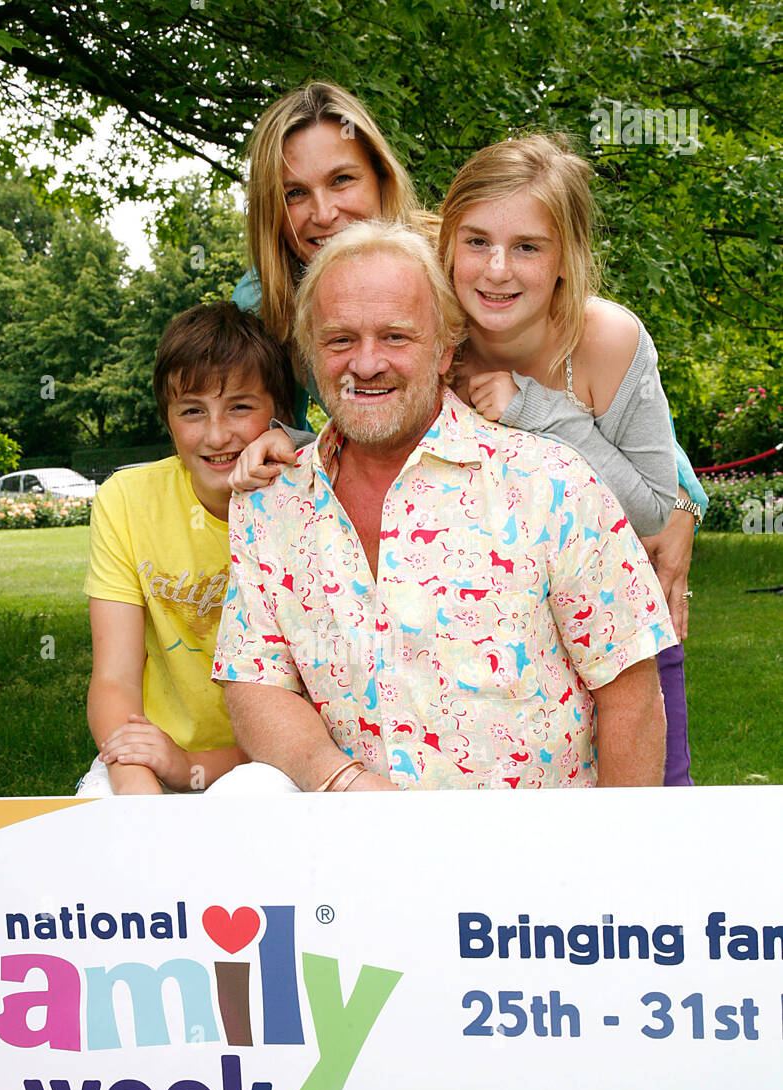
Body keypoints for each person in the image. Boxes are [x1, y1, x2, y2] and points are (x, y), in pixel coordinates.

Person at [211, 221, 677, 794]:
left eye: (396, 337)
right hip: (356, 862)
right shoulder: (270, 504)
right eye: (339, 340)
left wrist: (603, 871)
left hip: (535, 868)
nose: (366, 363)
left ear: (444, 349)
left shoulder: (551, 484)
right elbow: (254, 682)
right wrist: (341, 783)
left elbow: (630, 696)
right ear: (312, 351)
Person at [436, 134, 708, 785]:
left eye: (527, 247)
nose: (496, 269)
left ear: (565, 257)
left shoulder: (607, 339)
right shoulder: (427, 330)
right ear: (445, 241)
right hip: (486, 646)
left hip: (620, 635)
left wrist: (535, 407)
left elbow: (649, 507)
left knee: (648, 821)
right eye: (475, 241)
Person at [75, 301, 297, 796]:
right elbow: (114, 679)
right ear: (168, 419)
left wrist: (192, 765)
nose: (217, 435)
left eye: (240, 406)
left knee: (252, 803)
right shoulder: (127, 501)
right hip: (149, 749)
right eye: (192, 411)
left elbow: (314, 715)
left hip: (269, 763)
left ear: (279, 414)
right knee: (102, 823)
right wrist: (139, 781)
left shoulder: (304, 504)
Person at [231, 81, 422, 430]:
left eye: (342, 180)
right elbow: (274, 431)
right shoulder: (261, 300)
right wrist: (291, 444)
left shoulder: (459, 257)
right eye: (295, 193)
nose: (323, 214)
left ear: (382, 177)